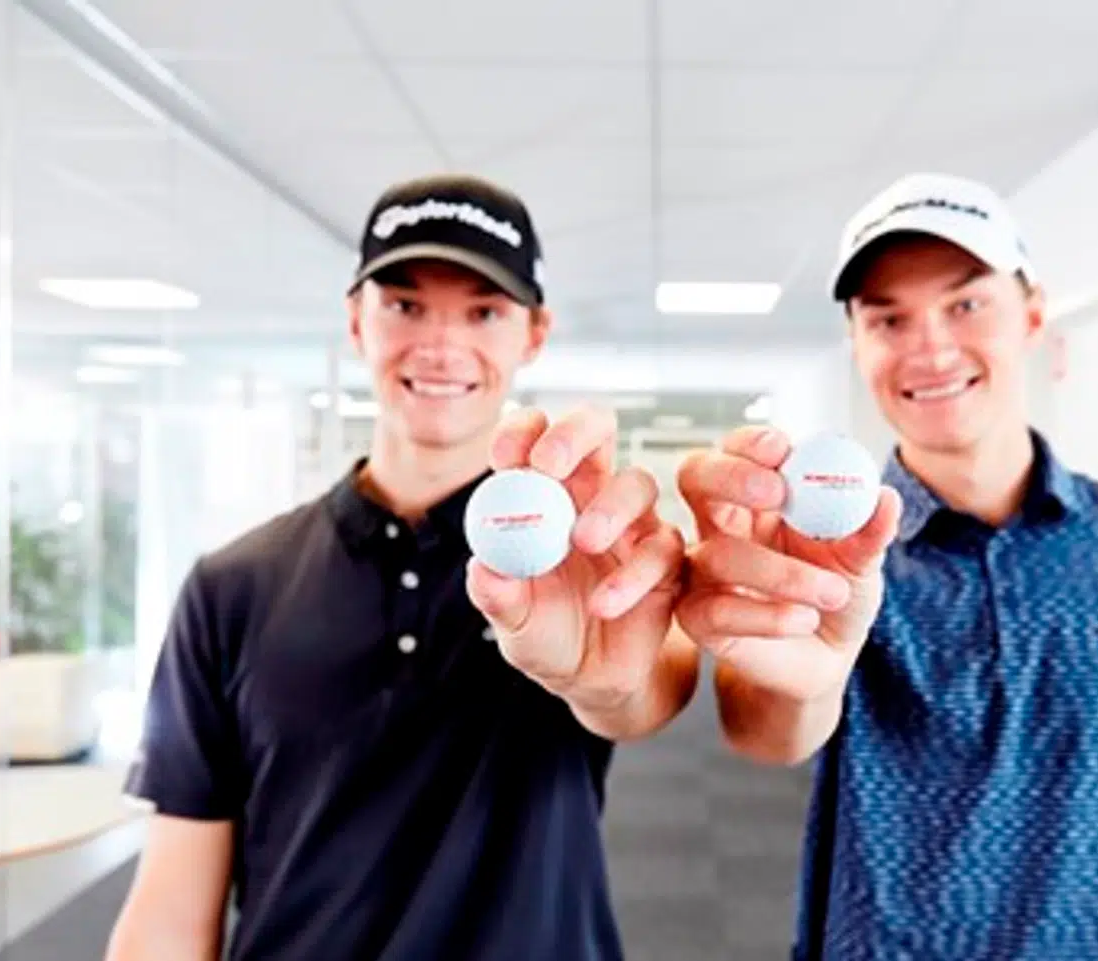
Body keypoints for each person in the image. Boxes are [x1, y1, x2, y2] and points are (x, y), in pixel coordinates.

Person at [675, 172, 1098, 959]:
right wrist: (792, 677)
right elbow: (767, 733)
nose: (930, 347)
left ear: (1033, 314)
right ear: (857, 343)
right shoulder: (832, 564)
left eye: (966, 304)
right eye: (888, 318)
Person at [106, 173, 699, 961]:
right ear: (357, 320)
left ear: (534, 333)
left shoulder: (574, 570)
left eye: (483, 311)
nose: (441, 345)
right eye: (406, 305)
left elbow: (640, 695)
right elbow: (171, 912)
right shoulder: (231, 585)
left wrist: (610, 675)